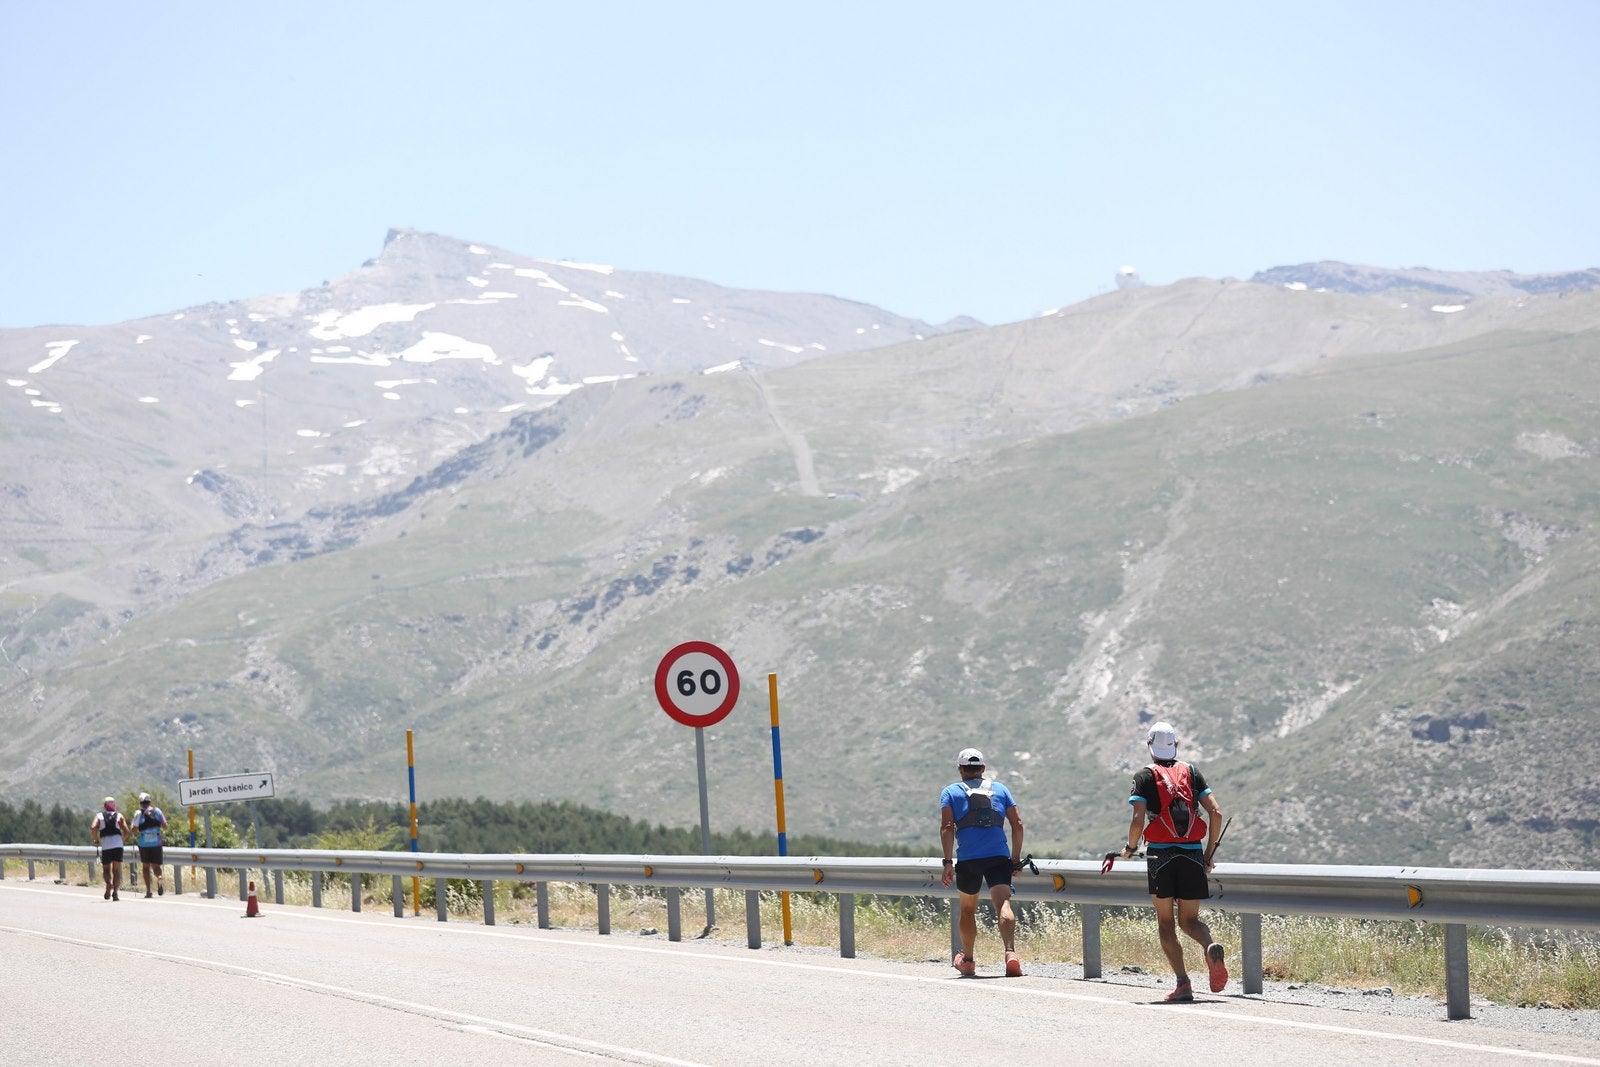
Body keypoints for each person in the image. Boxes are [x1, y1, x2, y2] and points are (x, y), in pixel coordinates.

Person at [1117, 721, 1228, 1001]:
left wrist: (1130, 848)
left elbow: (1137, 819)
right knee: (1190, 921)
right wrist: (1208, 855)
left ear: (1149, 746)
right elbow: (1216, 813)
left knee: (1166, 923)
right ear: (1175, 745)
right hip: (1192, 854)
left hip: (1160, 856)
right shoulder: (1191, 772)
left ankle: (1183, 983)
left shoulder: (1144, 776)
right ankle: (1210, 945)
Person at [939, 747, 1025, 977]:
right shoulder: (1001, 789)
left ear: (960, 769)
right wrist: (1014, 859)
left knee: (967, 910)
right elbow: (1017, 825)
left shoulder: (950, 792)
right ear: (983, 769)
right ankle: (1010, 953)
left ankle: (967, 960)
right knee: (1003, 903)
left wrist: (948, 862)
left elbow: (947, 827)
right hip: (998, 857)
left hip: (968, 859)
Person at [90, 798, 130, 901]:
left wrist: (96, 840)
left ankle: (108, 884)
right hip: (118, 846)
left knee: (106, 870)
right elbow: (127, 831)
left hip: (106, 846)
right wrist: (122, 840)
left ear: (104, 805)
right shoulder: (119, 816)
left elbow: (93, 827)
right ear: (114, 805)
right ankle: (115, 893)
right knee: (116, 871)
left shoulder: (99, 816)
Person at [132, 792, 168, 898]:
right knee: (156, 866)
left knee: (146, 867)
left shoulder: (138, 813)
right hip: (156, 842)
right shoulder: (157, 811)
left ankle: (149, 891)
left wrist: (134, 832)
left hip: (144, 844)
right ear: (150, 801)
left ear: (140, 802)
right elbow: (165, 826)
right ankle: (159, 877)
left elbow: (133, 830)